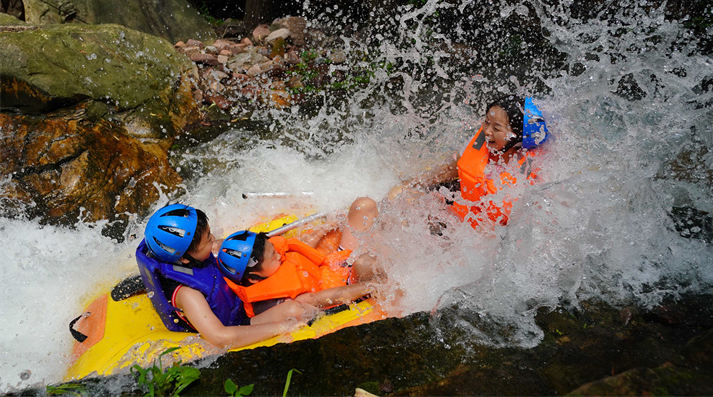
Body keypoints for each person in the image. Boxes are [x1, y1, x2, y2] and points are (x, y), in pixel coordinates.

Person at [136, 204, 317, 349]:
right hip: (239, 323)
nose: (213, 239)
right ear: (184, 258)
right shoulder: (187, 294)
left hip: (234, 297)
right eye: (208, 239)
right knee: (296, 310)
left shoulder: (185, 257)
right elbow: (220, 337)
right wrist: (283, 327)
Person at [361, 95, 549, 229]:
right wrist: (410, 183)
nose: (487, 131)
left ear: (517, 136)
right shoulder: (481, 145)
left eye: (496, 128)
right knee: (398, 193)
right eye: (486, 122)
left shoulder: (527, 174)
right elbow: (447, 171)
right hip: (455, 214)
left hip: (473, 235)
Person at [218, 209, 386, 317]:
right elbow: (319, 298)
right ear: (254, 278)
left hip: (338, 263)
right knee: (366, 262)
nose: (278, 255)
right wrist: (373, 286)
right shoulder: (276, 301)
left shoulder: (268, 263)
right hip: (349, 285)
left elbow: (298, 247)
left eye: (274, 249)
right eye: (273, 256)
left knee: (363, 207)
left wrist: (328, 226)